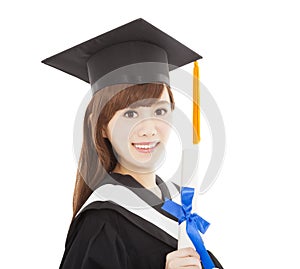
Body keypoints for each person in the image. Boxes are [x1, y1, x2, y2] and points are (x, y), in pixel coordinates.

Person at [42, 18, 224, 269]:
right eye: (130, 114)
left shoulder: (175, 206)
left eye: (160, 112)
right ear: (102, 125)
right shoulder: (101, 223)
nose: (148, 130)